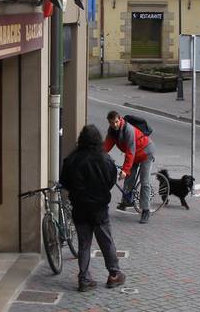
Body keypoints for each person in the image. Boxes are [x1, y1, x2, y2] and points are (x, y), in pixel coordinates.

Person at [60, 125, 126, 292]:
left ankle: (84, 278)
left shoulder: (72, 159)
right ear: (98, 140)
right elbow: (111, 180)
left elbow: (65, 183)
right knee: (106, 241)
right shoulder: (105, 159)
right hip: (99, 207)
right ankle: (114, 274)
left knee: (84, 243)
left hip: (80, 208)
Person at [104, 110, 156, 224]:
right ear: (109, 123)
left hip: (145, 152)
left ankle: (145, 210)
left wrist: (125, 170)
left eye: (116, 122)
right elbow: (106, 146)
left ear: (120, 119)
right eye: (112, 123)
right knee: (129, 178)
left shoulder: (128, 130)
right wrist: (98, 155)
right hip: (135, 155)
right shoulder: (112, 131)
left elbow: (130, 151)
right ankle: (128, 201)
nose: (115, 125)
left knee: (144, 181)